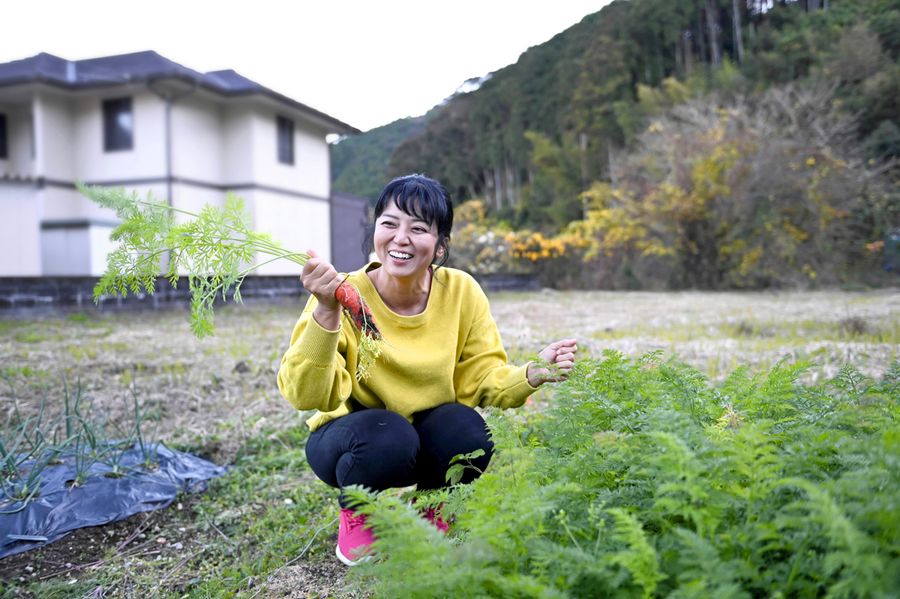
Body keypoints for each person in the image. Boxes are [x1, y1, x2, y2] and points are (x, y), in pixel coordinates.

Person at [277, 174, 577, 566]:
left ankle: (433, 509)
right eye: (390, 223)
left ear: (439, 246)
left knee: (469, 429)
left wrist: (530, 374)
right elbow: (306, 395)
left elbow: (482, 374)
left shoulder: (461, 292)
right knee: (389, 433)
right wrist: (326, 311)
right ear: (376, 233)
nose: (401, 238)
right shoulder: (341, 294)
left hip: (422, 439)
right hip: (354, 442)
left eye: (418, 228)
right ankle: (357, 512)